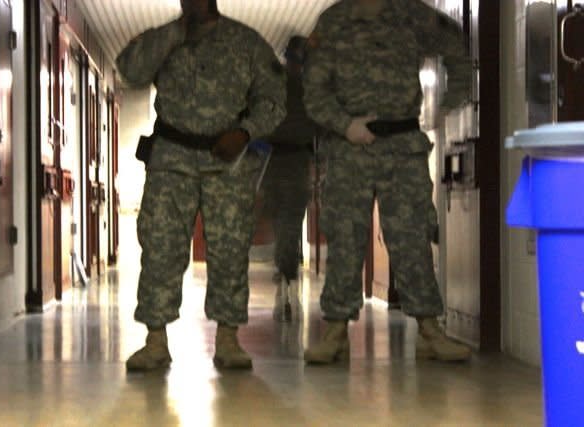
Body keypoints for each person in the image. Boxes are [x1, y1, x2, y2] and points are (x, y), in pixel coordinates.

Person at [116, 0, 286, 371]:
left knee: (229, 248)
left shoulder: (247, 43)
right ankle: (155, 340)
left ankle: (228, 339)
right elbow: (129, 70)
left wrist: (245, 132)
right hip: (171, 159)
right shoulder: (164, 39)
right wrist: (176, 32)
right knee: (160, 247)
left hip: (226, 161)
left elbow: (274, 100)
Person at [302, 0, 472, 363]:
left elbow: (455, 43)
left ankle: (429, 329)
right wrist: (345, 125)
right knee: (345, 238)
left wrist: (452, 99)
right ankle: (335, 329)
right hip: (351, 145)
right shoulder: (333, 21)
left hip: (402, 144)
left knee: (412, 237)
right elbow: (314, 91)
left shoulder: (411, 14)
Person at [260, 36, 316, 320]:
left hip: (280, 163)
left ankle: (286, 275)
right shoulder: (308, 89)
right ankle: (286, 274)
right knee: (287, 225)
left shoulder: (277, 87)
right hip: (287, 163)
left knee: (286, 225)